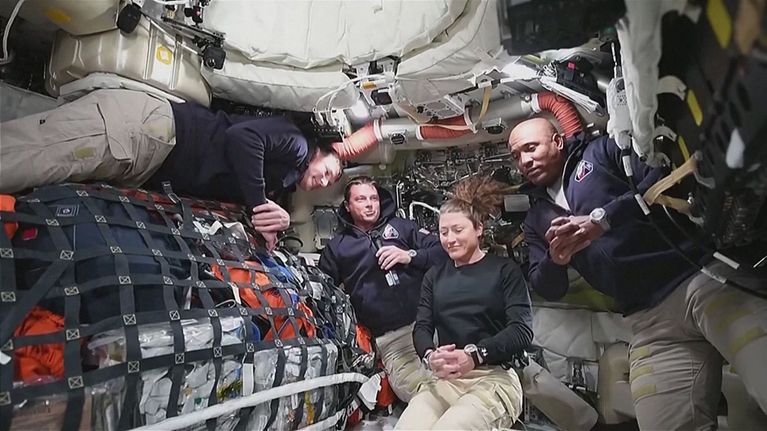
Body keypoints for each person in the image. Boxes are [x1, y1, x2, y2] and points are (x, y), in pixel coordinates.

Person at [510, 117, 767, 429]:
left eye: (531, 148)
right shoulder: (536, 218)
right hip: (648, 322)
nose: (524, 160)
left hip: (700, 281)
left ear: (557, 142)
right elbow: (547, 287)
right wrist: (556, 260)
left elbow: (662, 177)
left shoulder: (601, 152)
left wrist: (603, 219)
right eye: (516, 156)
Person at [0, 88, 343, 248]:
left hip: (149, 157)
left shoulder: (281, 178)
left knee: (34, 167)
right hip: (149, 133)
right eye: (329, 170)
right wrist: (258, 205)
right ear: (320, 150)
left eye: (329, 183)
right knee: (28, 158)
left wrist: (272, 220)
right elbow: (243, 139)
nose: (324, 181)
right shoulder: (298, 144)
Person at [396, 176, 532, 430]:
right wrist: (429, 355)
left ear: (478, 228)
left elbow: (521, 331)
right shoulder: (434, 276)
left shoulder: (505, 271)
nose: (450, 239)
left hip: (494, 377)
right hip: (447, 379)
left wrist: (476, 354)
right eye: (443, 232)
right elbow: (422, 327)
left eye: (458, 230)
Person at [318, 176, 448, 402]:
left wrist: (410, 255)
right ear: (348, 206)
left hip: (431, 325)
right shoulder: (338, 247)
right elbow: (324, 292)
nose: (370, 204)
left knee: (457, 383)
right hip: (392, 341)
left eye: (374, 198)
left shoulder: (402, 227)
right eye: (361, 199)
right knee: (423, 396)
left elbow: (442, 252)